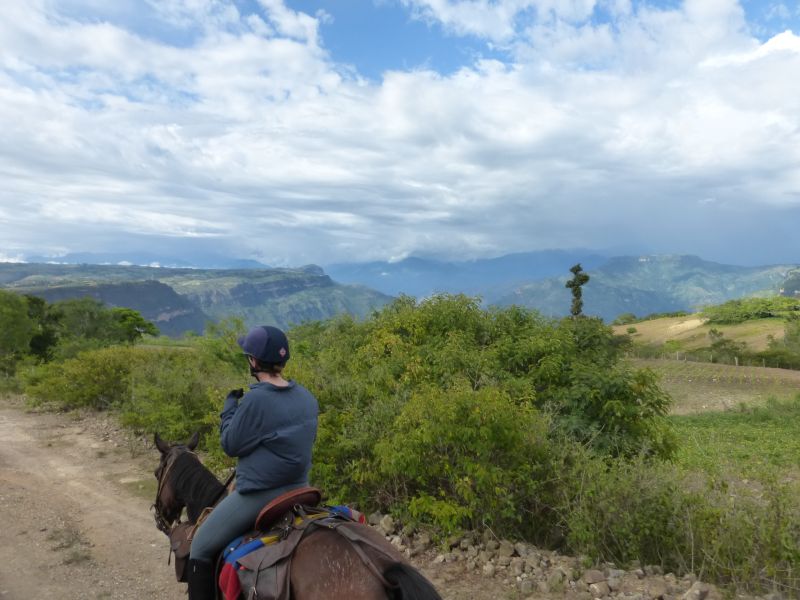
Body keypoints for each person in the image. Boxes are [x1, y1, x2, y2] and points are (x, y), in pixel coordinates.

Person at [187, 325, 319, 600]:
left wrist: (229, 409)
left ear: (254, 361)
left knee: (199, 546)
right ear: (283, 360)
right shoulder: (306, 396)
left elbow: (231, 445)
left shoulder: (257, 399)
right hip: (300, 487)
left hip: (261, 494)